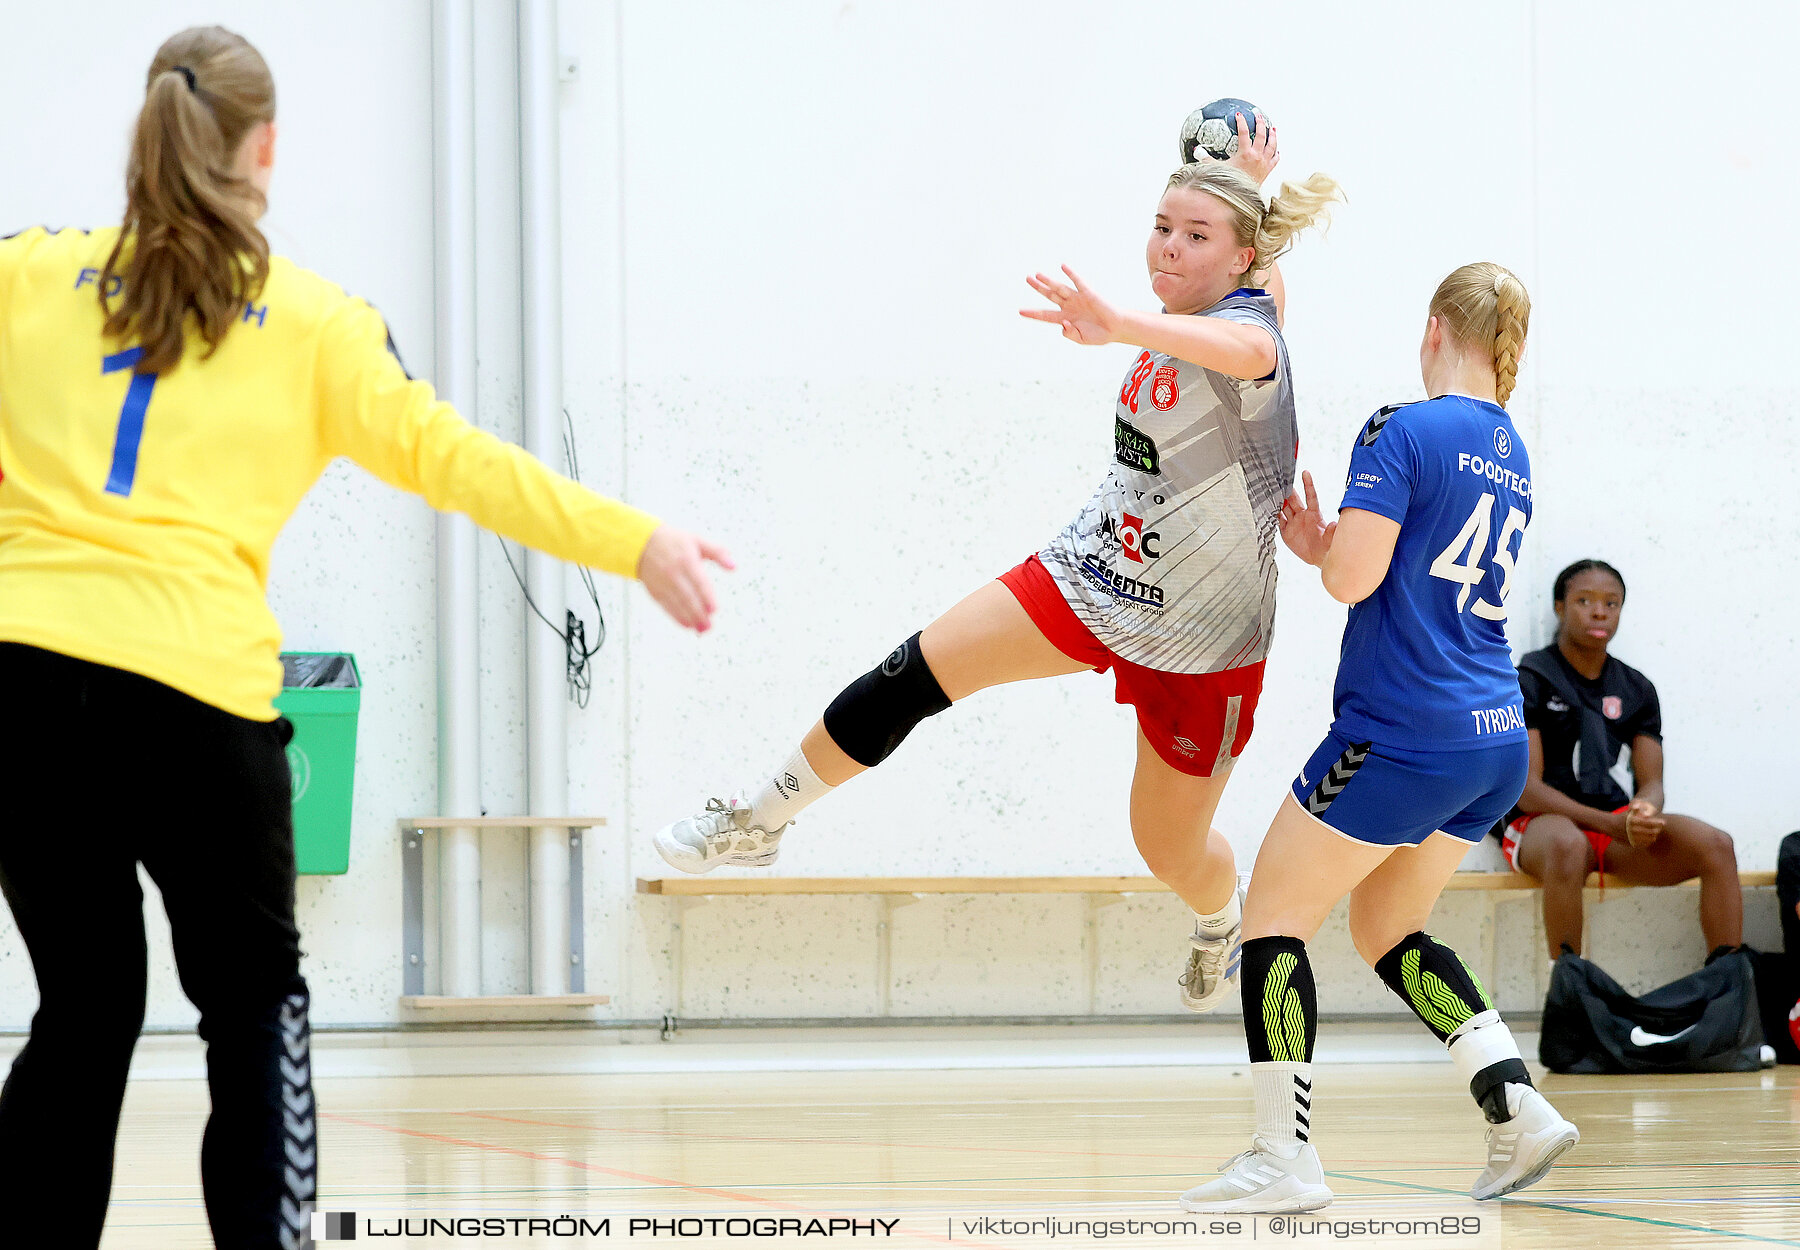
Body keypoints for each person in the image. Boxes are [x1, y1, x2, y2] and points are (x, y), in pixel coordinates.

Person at [0, 27, 728, 1250]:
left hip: (21, 688)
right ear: (265, 148)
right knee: (253, 1009)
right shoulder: (313, 324)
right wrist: (633, 539)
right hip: (192, 698)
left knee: (84, 1005)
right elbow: (463, 465)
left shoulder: (27, 274)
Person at [652, 158, 1339, 1017]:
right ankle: (758, 819)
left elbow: (1243, 344)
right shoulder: (1202, 296)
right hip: (1095, 571)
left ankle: (1214, 912)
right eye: (1162, 225)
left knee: (1167, 848)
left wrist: (1120, 322)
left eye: (1196, 236)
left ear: (1244, 263)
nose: (1167, 247)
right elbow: (1228, 248)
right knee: (914, 673)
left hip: (1204, 636)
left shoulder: (1254, 335)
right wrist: (1232, 170)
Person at [1181, 262, 1578, 1214]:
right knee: (1386, 926)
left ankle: (1283, 1158)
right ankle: (1514, 1105)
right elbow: (1408, 568)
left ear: (1435, 324)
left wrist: (1328, 556)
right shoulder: (1511, 448)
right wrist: (1339, 548)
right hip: (1491, 738)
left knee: (1273, 914)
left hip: (1404, 729)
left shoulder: (1402, 426)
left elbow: (1356, 582)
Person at [1497, 560, 1742, 965]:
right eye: (1585, 601)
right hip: (1540, 827)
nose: (1599, 612)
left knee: (1716, 844)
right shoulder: (1530, 678)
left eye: (1612, 603)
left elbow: (1652, 781)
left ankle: (1728, 985)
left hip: (1611, 825)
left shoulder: (1636, 687)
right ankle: (1571, 992)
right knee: (1567, 844)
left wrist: (1644, 809)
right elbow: (1527, 791)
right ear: (1559, 607)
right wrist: (1610, 822)